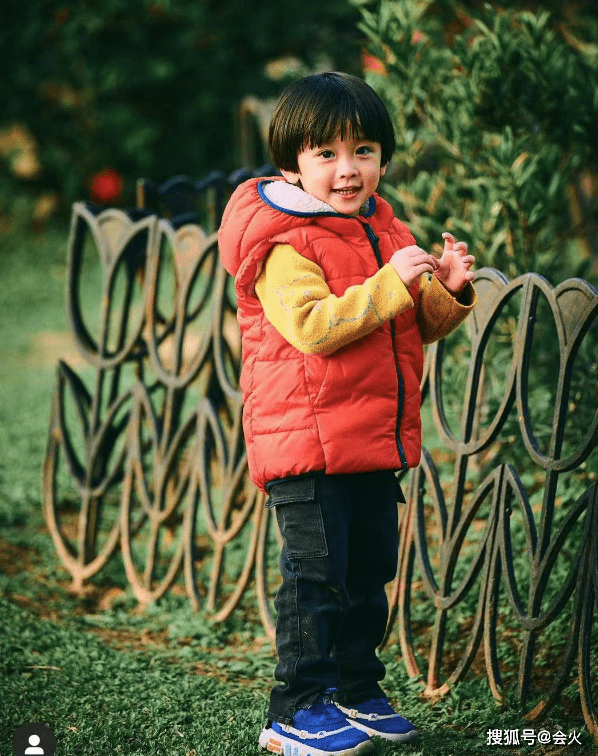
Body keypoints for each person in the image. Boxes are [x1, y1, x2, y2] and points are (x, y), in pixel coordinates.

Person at [218, 71, 476, 756]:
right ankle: (296, 708)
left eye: (362, 150)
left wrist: (443, 291)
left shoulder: (382, 228)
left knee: (369, 573)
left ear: (383, 158)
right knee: (318, 577)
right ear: (291, 164)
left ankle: (357, 690)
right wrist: (391, 284)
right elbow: (314, 327)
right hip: (306, 444)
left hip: (369, 442)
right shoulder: (282, 243)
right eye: (325, 154)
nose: (347, 168)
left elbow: (408, 328)